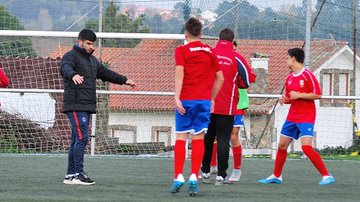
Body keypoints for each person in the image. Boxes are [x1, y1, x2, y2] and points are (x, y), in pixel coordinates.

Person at [60, 29, 136, 185]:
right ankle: (78, 174)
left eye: (92, 44)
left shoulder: (92, 61)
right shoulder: (70, 56)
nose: (90, 47)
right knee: (82, 138)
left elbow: (106, 73)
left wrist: (125, 80)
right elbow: (65, 68)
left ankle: (70, 175)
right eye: (88, 43)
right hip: (75, 104)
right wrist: (73, 75)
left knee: (77, 139)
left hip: (86, 105)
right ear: (79, 41)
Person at [258, 48, 335, 185]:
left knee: (306, 147)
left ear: (293, 59)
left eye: (287, 58)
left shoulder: (308, 75)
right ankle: (276, 176)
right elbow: (290, 97)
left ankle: (326, 175)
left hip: (306, 117)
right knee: (282, 146)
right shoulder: (289, 78)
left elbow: (317, 94)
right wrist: (285, 100)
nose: (286, 61)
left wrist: (299, 95)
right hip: (292, 117)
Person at [170, 17, 224, 196]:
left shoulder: (181, 50)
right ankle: (194, 175)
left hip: (186, 99)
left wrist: (177, 96)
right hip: (203, 101)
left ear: (185, 34)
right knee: (199, 139)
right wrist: (211, 98)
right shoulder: (210, 51)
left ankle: (178, 176)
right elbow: (220, 78)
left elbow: (179, 71)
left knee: (181, 138)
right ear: (201, 34)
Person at [200, 29, 255, 185]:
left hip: (207, 104)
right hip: (228, 105)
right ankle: (222, 174)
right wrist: (236, 83)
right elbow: (248, 81)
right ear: (233, 40)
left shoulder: (208, 53)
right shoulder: (236, 57)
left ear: (218, 39)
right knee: (224, 139)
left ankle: (204, 171)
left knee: (208, 138)